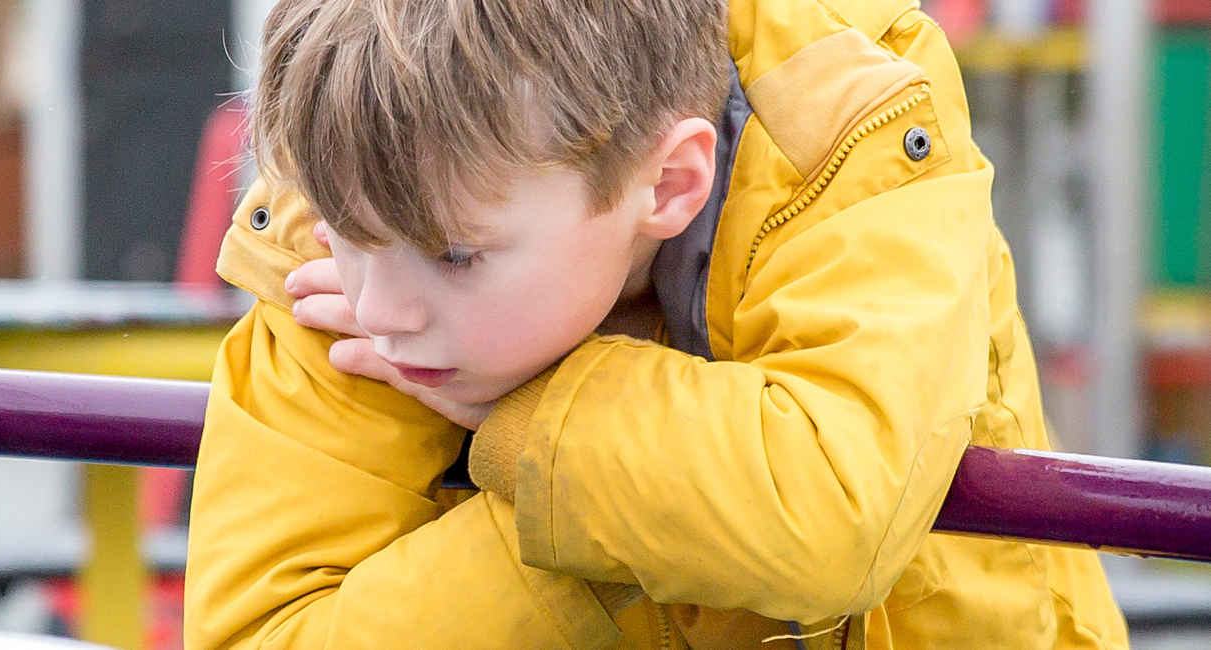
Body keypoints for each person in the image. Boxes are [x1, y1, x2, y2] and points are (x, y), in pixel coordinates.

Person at [184, 0, 1130, 647]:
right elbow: (268, 631)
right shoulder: (366, 168)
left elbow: (828, 509)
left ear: (671, 183)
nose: (379, 311)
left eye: (457, 256)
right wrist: (666, 522)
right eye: (350, 237)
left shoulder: (852, 133)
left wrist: (533, 420)